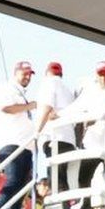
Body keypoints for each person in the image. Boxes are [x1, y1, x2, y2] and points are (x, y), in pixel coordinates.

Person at [59, 61, 105, 209]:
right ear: (96, 76)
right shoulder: (90, 90)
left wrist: (95, 116)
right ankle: (85, 207)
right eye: (100, 75)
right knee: (83, 177)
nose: (103, 78)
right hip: (92, 141)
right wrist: (57, 115)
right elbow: (76, 107)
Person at [0, 61, 37, 209]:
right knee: (12, 182)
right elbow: (6, 108)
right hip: (12, 143)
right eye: (24, 73)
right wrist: (30, 105)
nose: (27, 77)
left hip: (25, 146)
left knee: (21, 186)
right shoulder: (6, 88)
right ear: (15, 73)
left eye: (29, 74)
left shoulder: (21, 94)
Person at [34, 61, 76, 192]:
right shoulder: (68, 90)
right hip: (68, 139)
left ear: (46, 73)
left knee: (56, 179)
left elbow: (47, 107)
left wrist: (36, 132)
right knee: (63, 178)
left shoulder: (48, 83)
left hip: (54, 137)